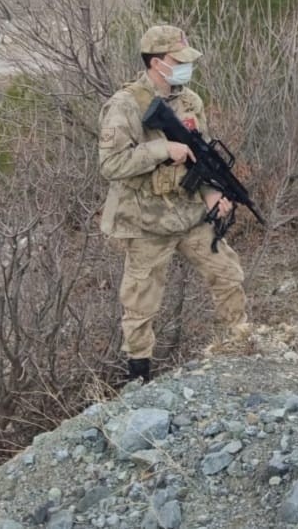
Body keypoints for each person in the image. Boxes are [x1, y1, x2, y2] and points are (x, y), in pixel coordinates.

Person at [98, 25, 247, 382]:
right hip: (146, 221)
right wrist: (162, 150)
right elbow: (110, 164)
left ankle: (242, 347)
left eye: (185, 60)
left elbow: (203, 157)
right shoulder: (125, 105)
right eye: (176, 61)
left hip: (190, 215)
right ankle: (139, 375)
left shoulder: (189, 101)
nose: (184, 67)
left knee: (228, 275)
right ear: (155, 63)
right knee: (141, 303)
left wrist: (212, 193)